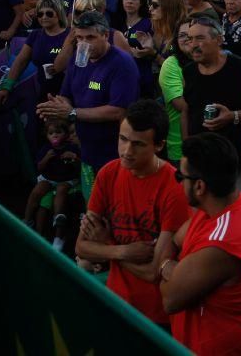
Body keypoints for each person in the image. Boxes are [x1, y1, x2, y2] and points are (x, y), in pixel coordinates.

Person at [75, 100, 191, 324]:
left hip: (156, 318)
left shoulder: (174, 189)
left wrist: (106, 245)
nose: (126, 151)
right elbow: (82, 247)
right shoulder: (108, 173)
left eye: (138, 144)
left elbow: (153, 272)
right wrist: (121, 251)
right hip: (117, 303)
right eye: (123, 139)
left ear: (159, 145)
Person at [162, 133, 241, 356]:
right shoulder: (219, 206)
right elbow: (174, 241)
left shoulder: (222, 242)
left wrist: (164, 267)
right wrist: (175, 268)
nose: (177, 181)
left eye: (181, 176)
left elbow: (170, 298)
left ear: (199, 186)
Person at [36, 12, 139, 199]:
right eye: (80, 37)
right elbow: (66, 95)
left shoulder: (122, 63)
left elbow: (118, 110)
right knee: (92, 205)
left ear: (105, 35)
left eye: (90, 37)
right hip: (87, 150)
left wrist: (73, 113)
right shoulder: (78, 57)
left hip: (114, 153)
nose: (84, 43)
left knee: (114, 206)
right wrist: (57, 108)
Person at [182, 16, 241, 213]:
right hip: (202, 168)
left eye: (200, 39)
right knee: (204, 230)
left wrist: (233, 116)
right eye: (190, 39)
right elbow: (187, 110)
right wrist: (187, 149)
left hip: (238, 167)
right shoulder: (189, 72)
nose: (193, 45)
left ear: (219, 40)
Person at [0, 0, 69, 104]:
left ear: (59, 14)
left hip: (67, 93)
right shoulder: (35, 35)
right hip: (44, 91)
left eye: (49, 13)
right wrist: (6, 86)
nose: (44, 17)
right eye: (40, 14)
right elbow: (21, 61)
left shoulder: (70, 36)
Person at [25, 120, 80, 250]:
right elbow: (39, 167)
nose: (54, 135)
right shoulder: (46, 149)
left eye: (58, 132)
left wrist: (74, 158)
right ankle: (27, 221)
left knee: (61, 189)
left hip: (67, 180)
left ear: (66, 134)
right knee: (37, 191)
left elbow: (79, 168)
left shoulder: (71, 148)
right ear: (46, 135)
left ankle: (58, 221)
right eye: (51, 133)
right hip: (49, 179)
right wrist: (46, 158)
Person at [158, 20, 190, 162]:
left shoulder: (210, 62)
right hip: (179, 149)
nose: (188, 39)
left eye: (194, 34)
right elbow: (181, 105)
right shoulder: (171, 64)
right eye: (182, 35)